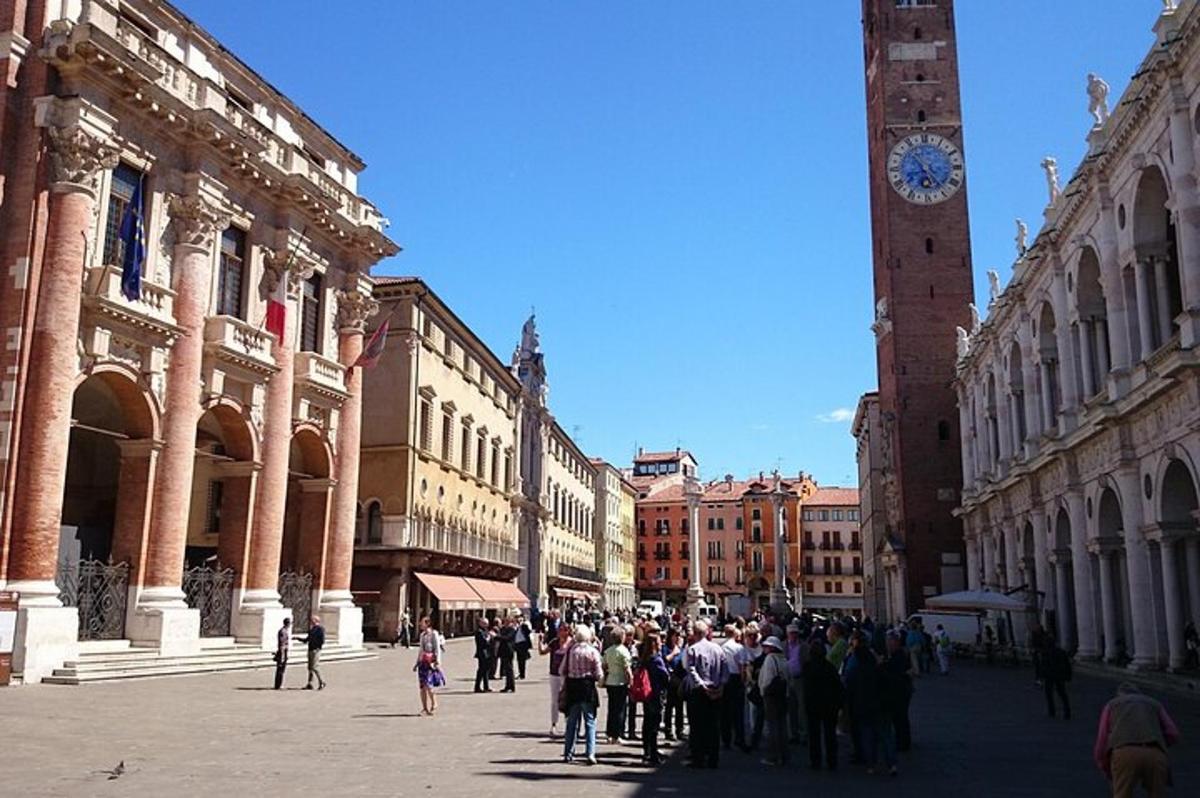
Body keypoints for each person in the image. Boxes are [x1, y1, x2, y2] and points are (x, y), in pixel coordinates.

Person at [1093, 683, 1180, 797]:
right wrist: (1158, 742)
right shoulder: (1155, 704)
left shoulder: (1112, 705)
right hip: (1155, 752)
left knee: (1122, 794)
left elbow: (1102, 738)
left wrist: (1102, 763)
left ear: (1119, 695)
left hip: (1124, 752)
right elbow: (1173, 733)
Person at [845, 631, 897, 776]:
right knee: (886, 735)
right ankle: (891, 764)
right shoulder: (878, 669)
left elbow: (850, 684)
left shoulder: (858, 670)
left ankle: (871, 765)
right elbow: (887, 685)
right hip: (881, 705)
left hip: (865, 705)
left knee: (868, 736)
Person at [682, 619, 728, 769]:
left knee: (697, 726)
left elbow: (692, 671)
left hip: (699, 692)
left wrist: (702, 686)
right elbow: (724, 669)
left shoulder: (692, 649)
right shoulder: (718, 649)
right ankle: (713, 758)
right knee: (714, 726)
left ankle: (699, 758)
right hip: (716, 690)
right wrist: (721, 685)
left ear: (695, 634)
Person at [562, 625, 604, 765]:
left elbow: (562, 669)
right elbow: (599, 674)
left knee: (572, 722)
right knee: (590, 721)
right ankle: (590, 753)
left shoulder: (570, 651)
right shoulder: (593, 651)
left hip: (573, 686)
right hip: (587, 686)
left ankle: (568, 753)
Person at [803, 640, 843, 770]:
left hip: (813, 704)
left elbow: (806, 688)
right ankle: (832, 760)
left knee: (814, 734)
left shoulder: (808, 667)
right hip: (829, 704)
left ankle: (815, 760)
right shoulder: (830, 667)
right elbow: (838, 686)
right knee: (830, 734)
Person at [638, 634, 671, 766]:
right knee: (654, 725)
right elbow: (665, 676)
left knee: (647, 723)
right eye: (659, 641)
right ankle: (653, 753)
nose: (662, 643)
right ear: (654, 644)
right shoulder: (656, 659)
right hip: (655, 694)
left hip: (646, 694)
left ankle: (647, 751)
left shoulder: (644, 658)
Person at [758, 636, 790, 766]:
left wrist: (763, 691)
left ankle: (773, 756)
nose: (765, 648)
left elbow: (767, 679)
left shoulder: (770, 659)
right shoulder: (783, 659)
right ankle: (784, 754)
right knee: (782, 726)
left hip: (771, 696)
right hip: (782, 696)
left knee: (772, 726)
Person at [882, 631, 913, 754]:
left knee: (900, 717)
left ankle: (903, 743)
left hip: (900, 691)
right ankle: (903, 741)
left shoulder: (898, 656)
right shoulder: (898, 655)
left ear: (895, 642)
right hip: (902, 690)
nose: (887, 645)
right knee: (901, 718)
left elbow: (896, 673)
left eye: (889, 642)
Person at [541, 622, 572, 735]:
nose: (560, 632)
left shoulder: (572, 643)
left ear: (568, 631)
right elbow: (542, 652)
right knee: (554, 700)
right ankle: (554, 724)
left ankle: (569, 723)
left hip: (566, 674)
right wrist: (540, 641)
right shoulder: (554, 642)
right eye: (559, 630)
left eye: (562, 630)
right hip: (554, 673)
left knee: (567, 699)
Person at [602, 627, 632, 743]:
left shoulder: (608, 651)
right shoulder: (624, 651)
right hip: (621, 682)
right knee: (620, 709)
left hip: (610, 682)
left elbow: (604, 666)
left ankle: (609, 734)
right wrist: (631, 681)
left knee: (611, 708)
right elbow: (627, 669)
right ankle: (618, 734)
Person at [719, 624, 746, 750]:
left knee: (725, 710)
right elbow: (742, 667)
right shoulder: (739, 648)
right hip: (736, 678)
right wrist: (743, 681)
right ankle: (739, 738)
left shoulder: (721, 648)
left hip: (725, 679)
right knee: (738, 710)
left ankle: (726, 739)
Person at [414, 616, 445, 716]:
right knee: (422, 686)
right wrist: (417, 663)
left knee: (429, 685)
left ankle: (434, 702)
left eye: (422, 622)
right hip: (423, 663)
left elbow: (437, 649)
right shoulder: (422, 635)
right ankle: (424, 708)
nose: (420, 624)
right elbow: (421, 650)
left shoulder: (434, 634)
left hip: (431, 663)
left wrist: (437, 662)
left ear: (427, 624)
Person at [785, 622, 808, 744]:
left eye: (795, 633)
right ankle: (793, 734)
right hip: (788, 679)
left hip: (800, 679)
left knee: (802, 708)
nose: (793, 636)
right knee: (791, 708)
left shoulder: (804, 646)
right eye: (791, 633)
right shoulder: (784, 645)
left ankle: (803, 733)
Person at [663, 627, 687, 741]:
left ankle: (679, 730)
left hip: (679, 680)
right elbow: (664, 660)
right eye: (676, 635)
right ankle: (668, 730)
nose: (678, 638)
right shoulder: (665, 648)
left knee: (679, 707)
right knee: (669, 707)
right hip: (669, 681)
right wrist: (673, 653)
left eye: (680, 636)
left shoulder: (681, 649)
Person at [1042, 639, 1073, 720]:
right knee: (1062, 694)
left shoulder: (1046, 653)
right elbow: (1067, 664)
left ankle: (1051, 711)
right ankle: (1067, 711)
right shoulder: (1061, 652)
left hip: (1050, 676)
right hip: (1059, 675)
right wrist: (1068, 675)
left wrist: (1042, 676)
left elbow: (1044, 665)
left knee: (1049, 694)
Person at [301, 614, 326, 691]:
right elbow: (307, 640)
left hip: (316, 650)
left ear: (316, 621)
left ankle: (322, 681)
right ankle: (310, 683)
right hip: (310, 649)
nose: (311, 622)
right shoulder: (312, 630)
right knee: (310, 667)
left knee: (315, 667)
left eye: (312, 620)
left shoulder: (320, 629)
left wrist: (317, 647)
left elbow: (322, 641)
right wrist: (298, 639)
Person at [497, 616, 517, 693]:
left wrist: (496, 636)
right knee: (506, 669)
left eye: (507, 622)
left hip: (509, 651)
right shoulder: (503, 629)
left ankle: (511, 686)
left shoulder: (512, 629)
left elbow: (507, 638)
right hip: (503, 651)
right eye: (505, 621)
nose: (505, 623)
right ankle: (507, 686)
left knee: (509, 669)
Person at [473, 617, 493, 693]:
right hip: (482, 653)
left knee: (485, 671)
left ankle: (486, 686)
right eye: (484, 623)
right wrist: (489, 637)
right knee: (482, 670)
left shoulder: (485, 630)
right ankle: (478, 687)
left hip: (487, 652)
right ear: (480, 623)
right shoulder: (479, 631)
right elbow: (483, 642)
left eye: (487, 623)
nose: (486, 625)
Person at [273, 617, 291, 690]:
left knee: (281, 669)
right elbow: (282, 644)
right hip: (282, 651)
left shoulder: (284, 631)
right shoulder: (283, 631)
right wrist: (283, 655)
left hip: (283, 651)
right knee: (280, 669)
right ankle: (278, 684)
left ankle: (279, 684)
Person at [515, 614, 533, 679]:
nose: (518, 620)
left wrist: (523, 625)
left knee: (522, 660)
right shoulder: (516, 627)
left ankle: (522, 674)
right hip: (517, 644)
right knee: (519, 660)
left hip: (523, 644)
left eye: (520, 619)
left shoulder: (524, 625)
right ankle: (520, 673)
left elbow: (528, 632)